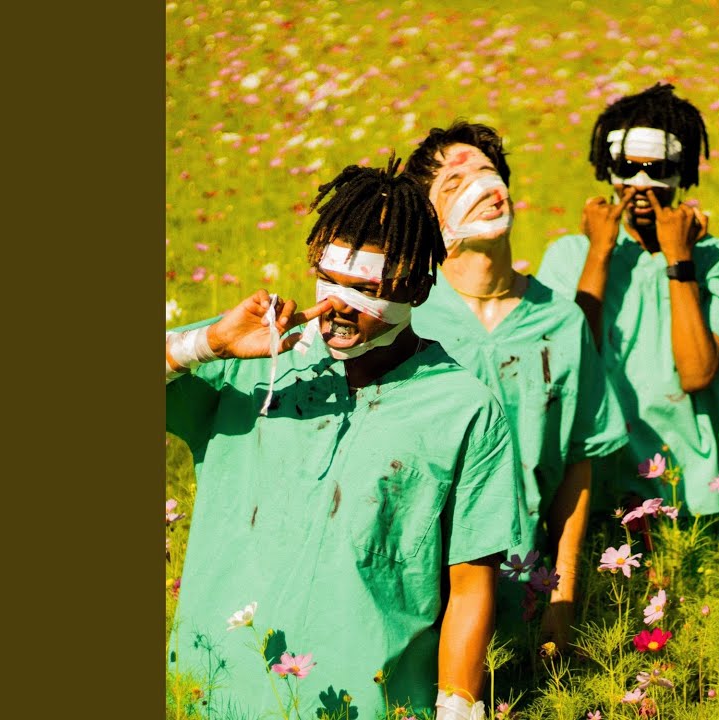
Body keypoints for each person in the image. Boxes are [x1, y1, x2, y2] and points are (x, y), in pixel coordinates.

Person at [165, 159, 523, 720]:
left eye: (364, 290)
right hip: (208, 694)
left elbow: (471, 587)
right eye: (328, 281)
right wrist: (207, 343)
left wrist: (458, 708)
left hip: (366, 703)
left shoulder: (465, 410)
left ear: (417, 288)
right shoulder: (249, 359)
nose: (336, 306)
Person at [405, 120, 627, 647]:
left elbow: (577, 463)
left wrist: (563, 594)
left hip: (523, 591)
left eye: (489, 173)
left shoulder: (561, 322)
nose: (482, 187)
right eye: (455, 183)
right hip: (418, 593)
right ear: (429, 218)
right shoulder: (408, 319)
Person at [535, 83, 719, 518]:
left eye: (658, 169)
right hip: (593, 481)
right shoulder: (569, 257)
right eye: (627, 168)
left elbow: (697, 372)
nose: (641, 186)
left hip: (691, 488)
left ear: (682, 173)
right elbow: (574, 362)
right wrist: (599, 254)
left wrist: (679, 260)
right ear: (606, 168)